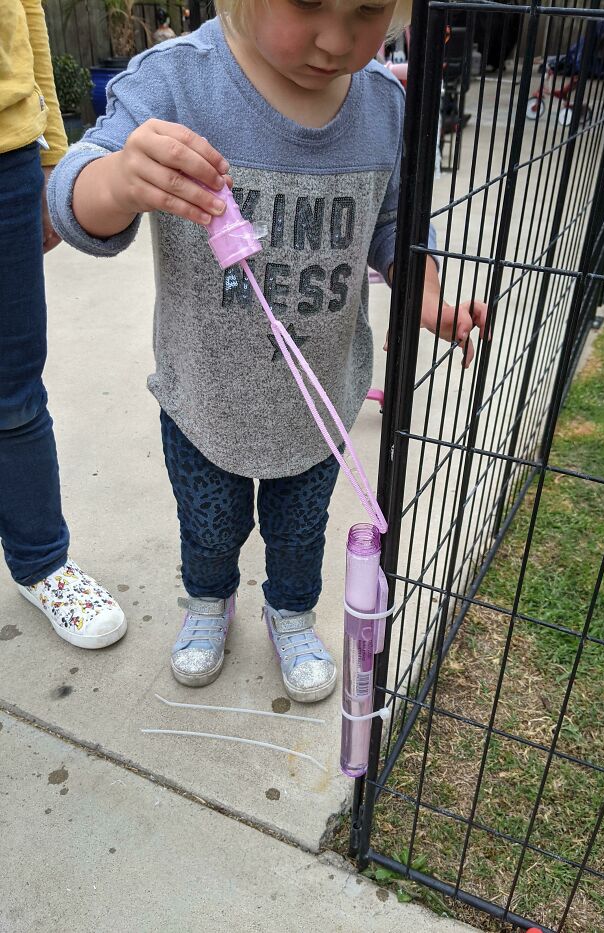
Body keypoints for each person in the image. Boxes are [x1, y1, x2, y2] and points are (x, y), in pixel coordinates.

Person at [48, 0, 486, 698]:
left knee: (300, 530)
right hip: (206, 401)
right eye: (308, 3)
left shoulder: (383, 106)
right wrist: (120, 180)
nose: (337, 39)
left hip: (318, 402)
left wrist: (428, 298)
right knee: (210, 526)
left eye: (368, 11)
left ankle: (290, 610)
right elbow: (72, 192)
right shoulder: (179, 83)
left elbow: (394, 223)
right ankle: (208, 602)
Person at [0, 0, 127, 649]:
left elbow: (23, 11)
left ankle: (40, 559)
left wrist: (51, 151)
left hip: (4, 152)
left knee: (14, 389)